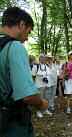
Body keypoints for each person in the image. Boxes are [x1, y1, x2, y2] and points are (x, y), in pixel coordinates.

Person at [0, 7, 48, 137]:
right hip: (11, 124)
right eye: (28, 32)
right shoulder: (14, 47)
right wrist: (42, 104)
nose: (27, 38)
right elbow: (28, 96)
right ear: (21, 25)